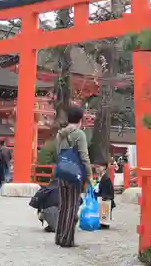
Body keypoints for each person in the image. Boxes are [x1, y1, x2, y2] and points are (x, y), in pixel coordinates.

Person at [55, 106, 92, 248]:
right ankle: (67, 239)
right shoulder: (79, 134)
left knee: (63, 205)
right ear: (80, 119)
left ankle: (59, 236)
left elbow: (58, 153)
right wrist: (88, 175)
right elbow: (84, 156)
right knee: (72, 206)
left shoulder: (60, 134)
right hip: (74, 174)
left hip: (62, 171)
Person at [93, 162, 116, 229]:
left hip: (104, 199)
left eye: (99, 166)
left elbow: (108, 191)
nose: (97, 168)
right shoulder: (101, 176)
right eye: (96, 167)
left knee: (104, 212)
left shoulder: (106, 178)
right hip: (100, 198)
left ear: (104, 167)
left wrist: (105, 197)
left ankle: (103, 223)